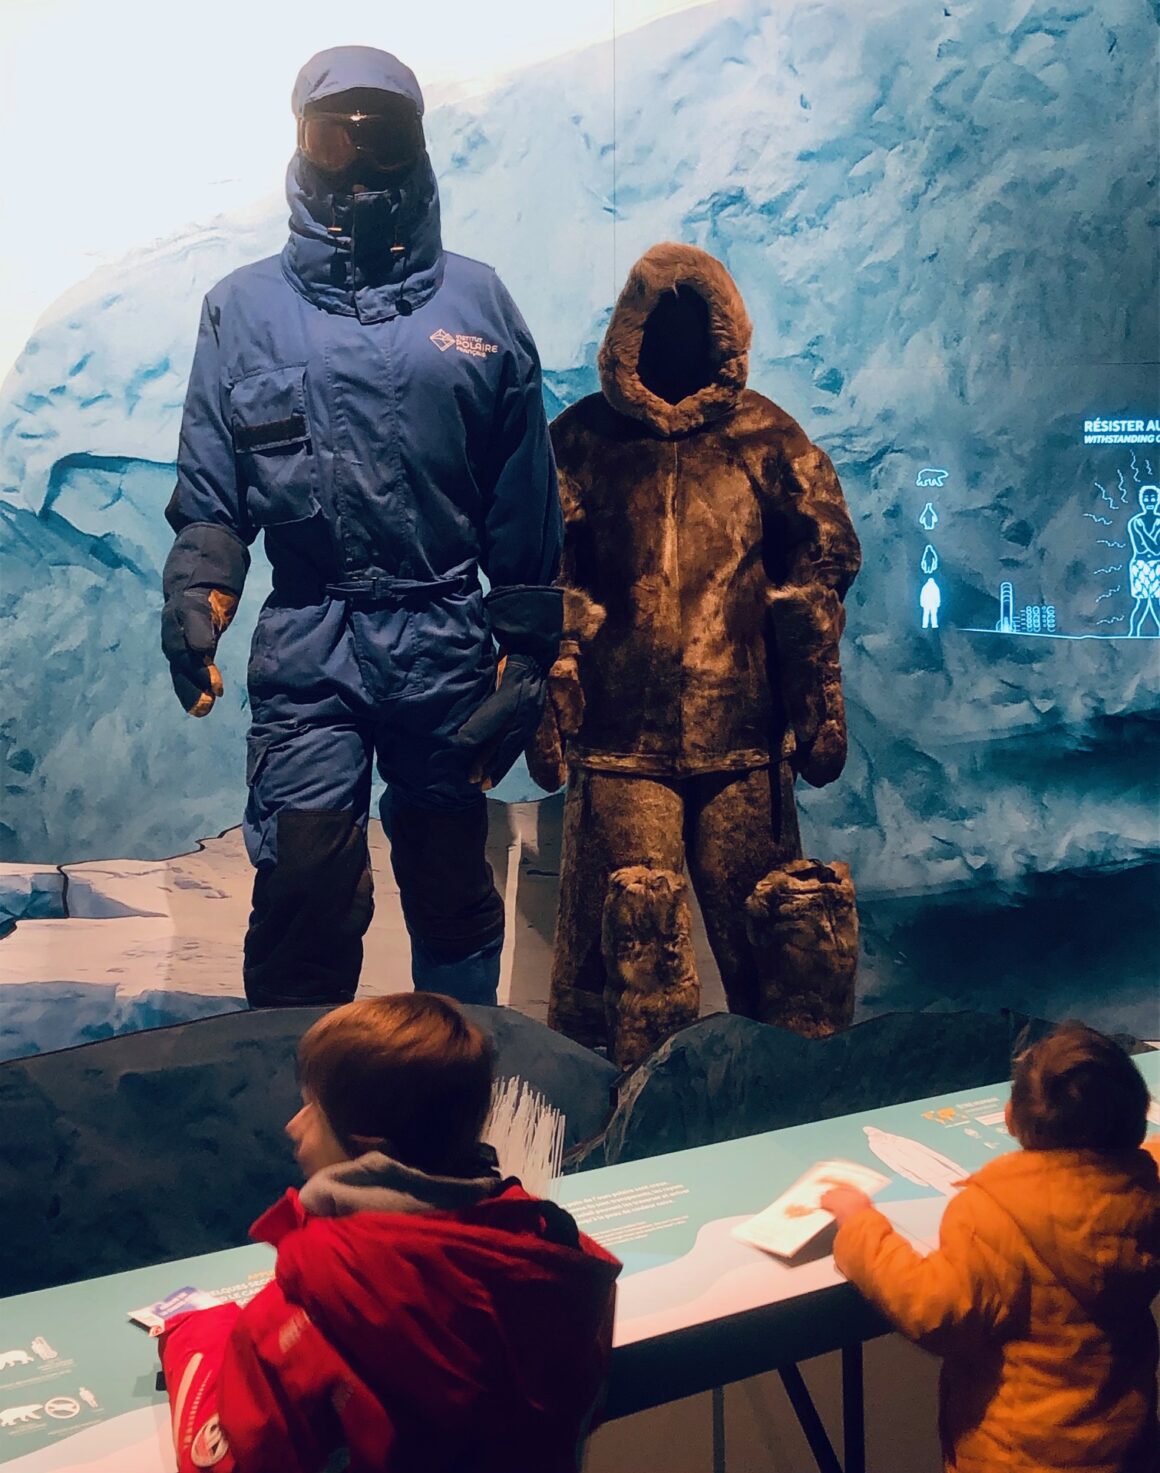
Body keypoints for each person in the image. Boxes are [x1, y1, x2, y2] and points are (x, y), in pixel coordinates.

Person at [160, 46, 562, 1010]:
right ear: (301, 145)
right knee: (303, 887)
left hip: (442, 635)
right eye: (335, 137)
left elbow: (522, 490)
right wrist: (198, 591)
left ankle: (454, 1078)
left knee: (450, 882)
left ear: (417, 144)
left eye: (382, 135)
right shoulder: (243, 311)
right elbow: (213, 487)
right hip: (312, 640)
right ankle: (296, 1086)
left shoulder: (477, 305)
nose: (359, 158)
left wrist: (528, 648)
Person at [159, 993, 621, 1473]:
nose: (294, 1125)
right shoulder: (562, 1255)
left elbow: (227, 1461)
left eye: (313, 1110)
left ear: (366, 1148)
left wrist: (195, 1335)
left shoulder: (309, 1308)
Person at [822, 1022, 1160, 1472]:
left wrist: (859, 1225)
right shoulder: (1145, 1193)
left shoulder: (993, 1214)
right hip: (1124, 1447)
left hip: (1018, 1456)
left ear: (1010, 1117)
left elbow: (933, 1308)